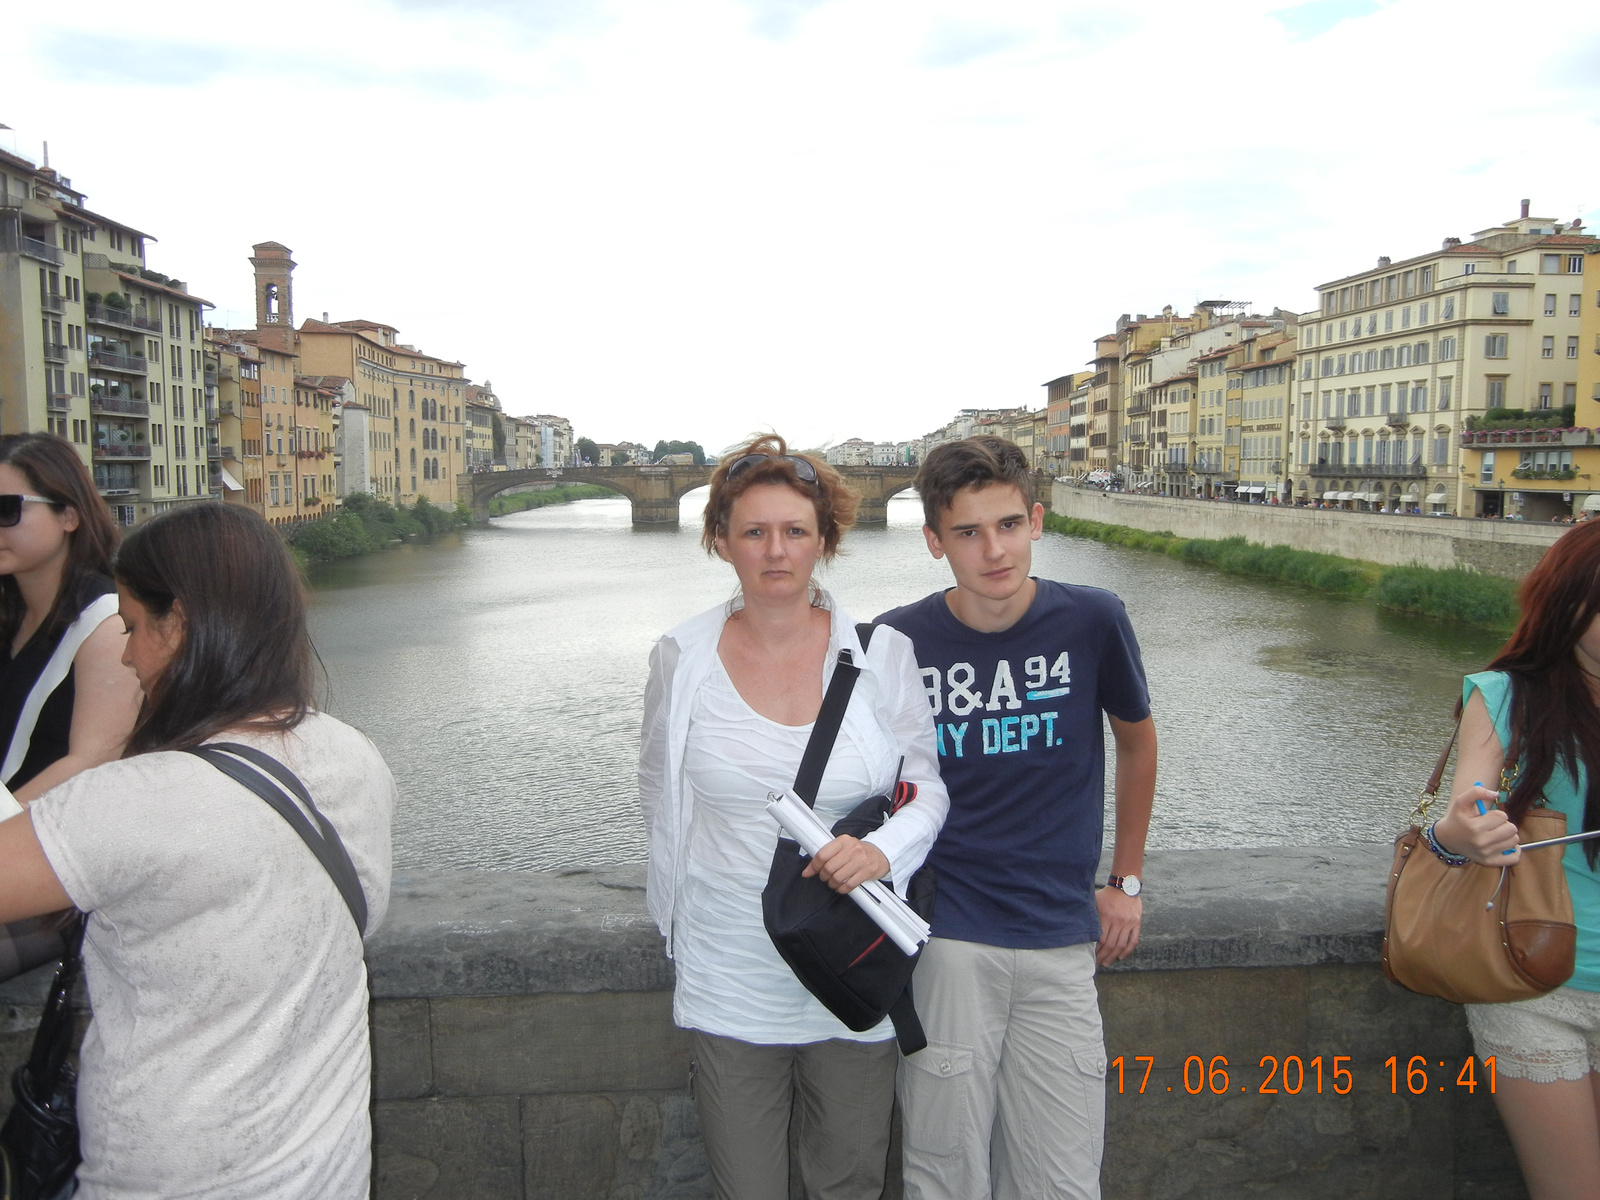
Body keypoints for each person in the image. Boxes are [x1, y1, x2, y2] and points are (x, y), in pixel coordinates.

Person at [0, 502, 396, 1199]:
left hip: (164, 1177)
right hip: (324, 1174)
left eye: (131, 627)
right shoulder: (353, 756)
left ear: (178, 622)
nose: (124, 655)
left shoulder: (136, 801)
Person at [638, 436, 949, 1200]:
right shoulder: (681, 657)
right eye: (753, 532)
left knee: (846, 1182)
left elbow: (927, 788)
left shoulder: (884, 654)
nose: (775, 551)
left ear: (825, 540)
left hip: (851, 970)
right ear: (720, 541)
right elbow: (657, 800)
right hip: (729, 976)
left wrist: (882, 852)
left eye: (795, 531)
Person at [877, 436, 1158, 1200]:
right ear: (935, 542)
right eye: (967, 532)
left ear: (1036, 520)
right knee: (943, 1172)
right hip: (945, 940)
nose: (992, 550)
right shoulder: (895, 640)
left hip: (1062, 938)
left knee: (1062, 1178)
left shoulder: (1093, 620)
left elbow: (1137, 744)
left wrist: (1124, 881)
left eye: (1006, 524)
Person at [1429, 519, 1600, 1200]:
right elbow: (1463, 807)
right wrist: (1468, 829)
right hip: (1537, 983)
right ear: (1566, 601)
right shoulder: (1504, 694)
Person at [0, 433, 141, 804]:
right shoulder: (11, 611)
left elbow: (93, 760)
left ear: (68, 515)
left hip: (41, 845)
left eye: (5, 510)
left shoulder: (108, 620)